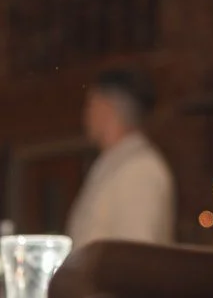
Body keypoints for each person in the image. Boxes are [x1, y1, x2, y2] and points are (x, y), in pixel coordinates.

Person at [66, 67, 175, 246]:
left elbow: (135, 253)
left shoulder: (140, 169)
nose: (86, 114)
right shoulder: (113, 163)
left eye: (91, 104)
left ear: (106, 107)